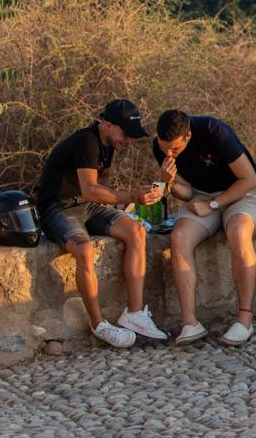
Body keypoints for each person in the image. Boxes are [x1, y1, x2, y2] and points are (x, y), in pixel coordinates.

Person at [35, 99, 168, 348]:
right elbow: (90, 189)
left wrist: (121, 204)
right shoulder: (86, 141)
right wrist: (131, 197)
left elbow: (102, 187)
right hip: (58, 206)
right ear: (107, 125)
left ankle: (135, 313)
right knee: (83, 249)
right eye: (125, 134)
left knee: (136, 230)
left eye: (132, 137)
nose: (128, 141)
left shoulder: (109, 146)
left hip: (87, 206)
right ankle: (99, 324)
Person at [154, 110, 256, 347]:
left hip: (240, 193)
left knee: (238, 231)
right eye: (164, 148)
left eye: (174, 149)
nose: (168, 153)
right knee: (180, 237)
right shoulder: (161, 148)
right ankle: (190, 323)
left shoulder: (214, 131)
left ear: (188, 136)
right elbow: (185, 192)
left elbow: (249, 180)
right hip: (201, 197)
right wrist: (169, 182)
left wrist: (214, 204)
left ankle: (244, 319)